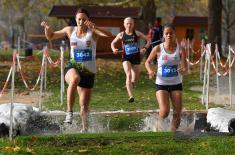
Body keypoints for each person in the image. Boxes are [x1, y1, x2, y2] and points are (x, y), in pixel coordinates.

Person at [41, 8, 112, 132]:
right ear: (76, 19)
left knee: (84, 107)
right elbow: (51, 37)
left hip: (88, 72)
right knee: (74, 79)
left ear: (87, 20)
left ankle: (85, 129)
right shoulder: (70, 30)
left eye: (84, 19)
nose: (81, 21)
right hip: (73, 66)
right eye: (79, 19)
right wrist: (47, 29)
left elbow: (109, 35)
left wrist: (96, 27)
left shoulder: (93, 32)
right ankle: (69, 113)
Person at [145, 23, 187, 131]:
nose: (169, 35)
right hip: (161, 84)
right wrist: (150, 71)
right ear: (163, 35)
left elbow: (184, 67)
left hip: (176, 84)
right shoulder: (158, 48)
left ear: (175, 34)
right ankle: (156, 125)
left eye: (171, 33)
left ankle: (172, 133)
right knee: (164, 112)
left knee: (177, 112)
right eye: (166, 33)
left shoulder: (181, 49)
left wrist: (183, 69)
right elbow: (147, 62)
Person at [111, 17, 149, 103]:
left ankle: (131, 84)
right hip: (126, 58)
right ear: (124, 25)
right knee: (128, 74)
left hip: (136, 58)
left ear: (133, 24)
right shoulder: (121, 34)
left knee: (135, 78)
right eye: (127, 23)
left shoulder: (137, 33)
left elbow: (148, 40)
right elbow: (112, 43)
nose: (129, 25)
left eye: (131, 23)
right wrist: (114, 49)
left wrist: (145, 48)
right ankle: (131, 96)